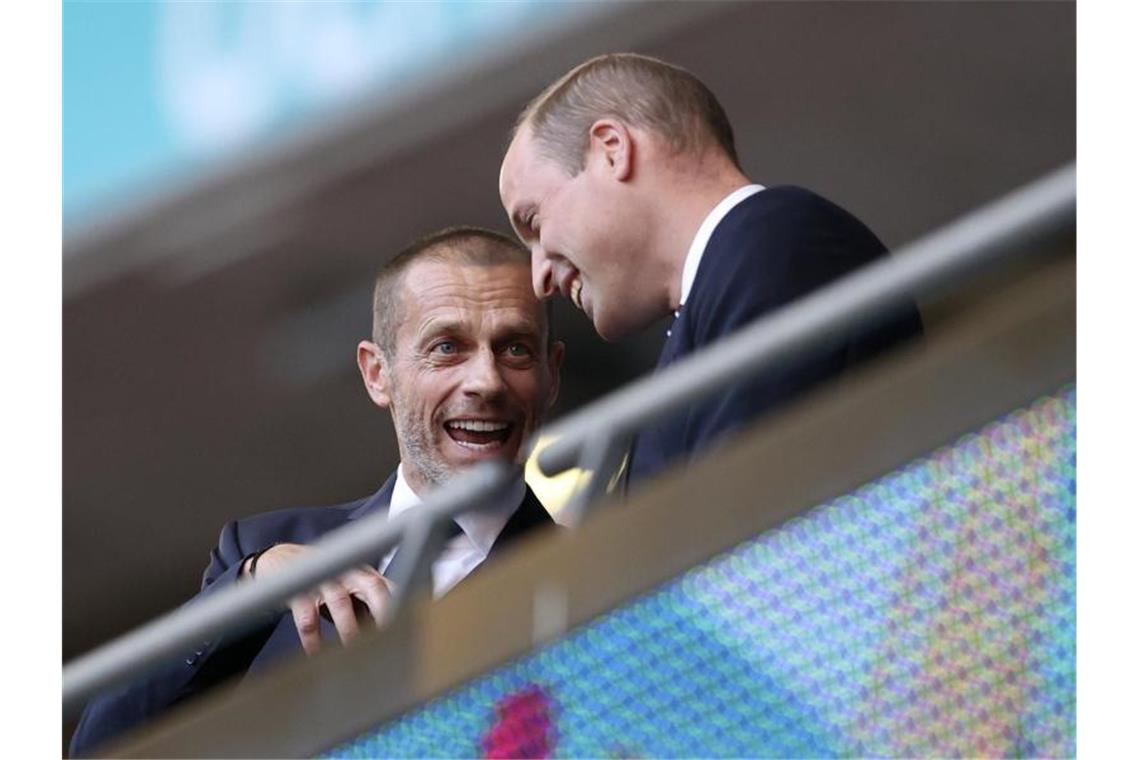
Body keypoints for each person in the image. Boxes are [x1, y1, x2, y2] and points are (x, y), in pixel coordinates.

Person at [70, 227, 564, 756]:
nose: (487, 382)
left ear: (551, 374)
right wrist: (254, 585)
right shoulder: (262, 548)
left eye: (515, 349)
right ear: (378, 374)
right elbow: (102, 744)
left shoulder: (593, 565)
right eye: (447, 348)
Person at [499, 53, 923, 484]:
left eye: (533, 222)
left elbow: (744, 518)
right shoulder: (730, 284)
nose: (540, 279)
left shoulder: (777, 243)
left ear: (611, 150)